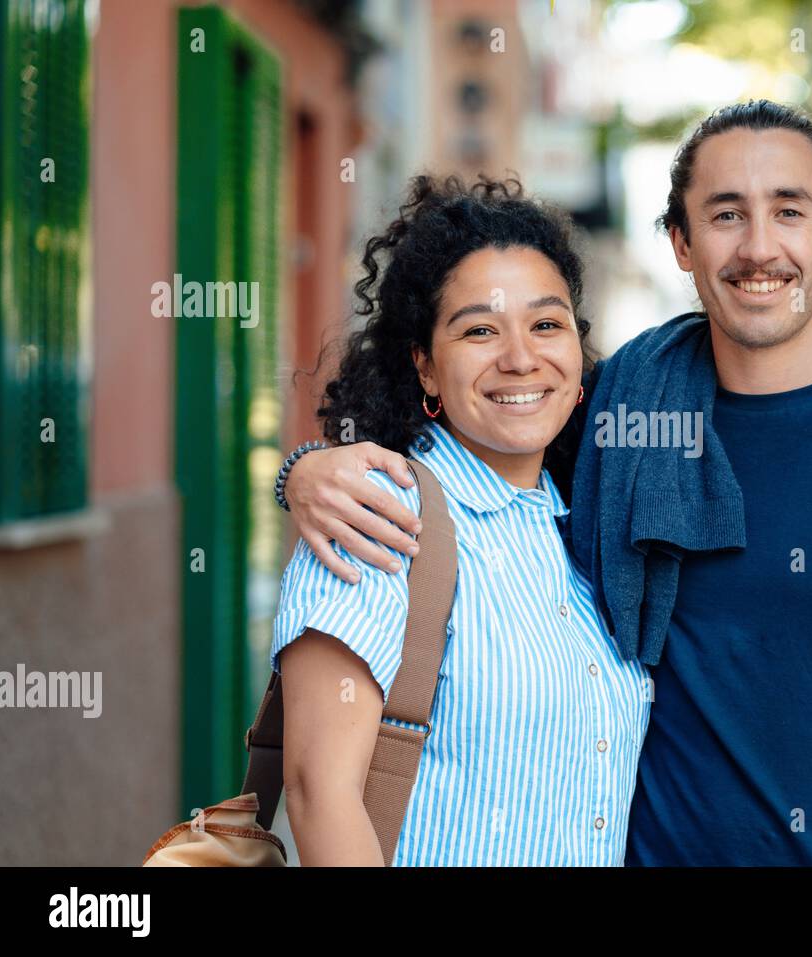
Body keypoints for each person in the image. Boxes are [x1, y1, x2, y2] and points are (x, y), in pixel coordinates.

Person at [280, 101, 812, 866]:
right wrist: (305, 473)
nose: (759, 247)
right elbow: (486, 432)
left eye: (790, 211)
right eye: (726, 213)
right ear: (681, 243)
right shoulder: (618, 432)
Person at [272, 173, 651, 866]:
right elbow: (316, 792)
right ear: (425, 365)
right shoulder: (381, 513)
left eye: (546, 324)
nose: (520, 357)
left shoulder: (584, 524)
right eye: (479, 329)